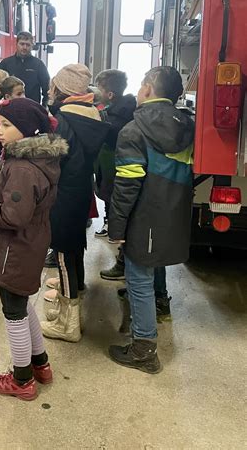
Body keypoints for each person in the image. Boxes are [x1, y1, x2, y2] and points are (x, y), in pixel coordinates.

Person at [0, 98, 67, 400]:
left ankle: (22, 380)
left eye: (7, 125)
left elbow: (14, 215)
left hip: (15, 250)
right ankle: (41, 364)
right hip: (28, 245)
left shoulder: (24, 169)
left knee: (13, 313)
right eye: (0, 123)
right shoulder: (27, 159)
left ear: (28, 131)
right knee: (21, 307)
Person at [108, 66, 194, 373]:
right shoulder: (188, 126)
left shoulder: (133, 130)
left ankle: (144, 350)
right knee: (154, 262)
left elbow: (127, 186)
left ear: (146, 89)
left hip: (144, 215)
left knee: (138, 278)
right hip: (174, 211)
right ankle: (162, 304)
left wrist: (116, 227)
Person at [40, 64, 110, 342]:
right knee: (74, 248)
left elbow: (52, 158)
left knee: (63, 255)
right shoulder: (90, 114)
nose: (48, 90)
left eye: (53, 85)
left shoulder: (62, 119)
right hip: (79, 190)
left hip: (63, 194)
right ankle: (72, 298)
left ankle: (69, 324)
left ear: (63, 89)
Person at [94, 69, 136, 246]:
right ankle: (108, 221)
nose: (96, 92)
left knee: (111, 192)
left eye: (99, 89)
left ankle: (115, 226)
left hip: (114, 160)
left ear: (110, 94)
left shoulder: (119, 116)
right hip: (107, 161)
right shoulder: (112, 110)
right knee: (106, 190)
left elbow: (111, 136)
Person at [0, 31, 50, 105]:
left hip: (32, 109)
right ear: (16, 44)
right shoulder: (6, 63)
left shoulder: (39, 65)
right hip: (9, 108)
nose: (25, 47)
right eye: (22, 44)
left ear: (32, 46)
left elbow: (47, 90)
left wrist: (44, 108)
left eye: (28, 45)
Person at [0, 76, 25, 167]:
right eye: (19, 94)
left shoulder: (26, 114)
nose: (23, 97)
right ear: (7, 96)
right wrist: (0, 159)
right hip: (3, 163)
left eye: (23, 93)